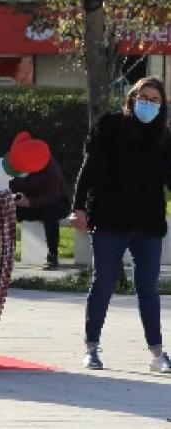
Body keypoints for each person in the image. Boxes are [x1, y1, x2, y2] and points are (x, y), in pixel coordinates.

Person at [71, 76, 171, 374]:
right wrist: (78, 207)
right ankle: (91, 348)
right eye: (144, 97)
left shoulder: (163, 137)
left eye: (155, 100)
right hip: (110, 219)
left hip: (148, 224)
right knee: (103, 283)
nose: (148, 104)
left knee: (149, 289)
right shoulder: (110, 127)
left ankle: (157, 353)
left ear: (162, 105)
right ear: (132, 98)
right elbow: (88, 169)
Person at [10, 156, 70, 269]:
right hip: (28, 204)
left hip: (56, 203)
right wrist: (15, 198)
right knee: (6, 210)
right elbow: (8, 188)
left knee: (50, 212)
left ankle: (52, 255)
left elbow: (53, 195)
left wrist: (30, 202)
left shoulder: (49, 165)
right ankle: (6, 255)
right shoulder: (13, 164)